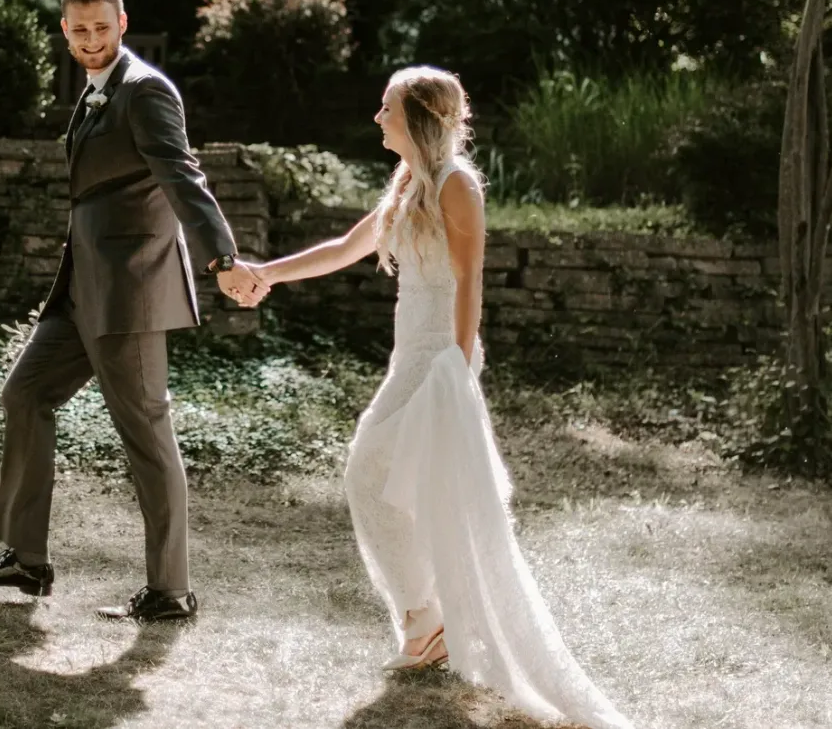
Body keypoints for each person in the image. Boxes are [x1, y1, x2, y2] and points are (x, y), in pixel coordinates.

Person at [239, 66, 634, 729]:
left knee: (370, 471)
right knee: (390, 481)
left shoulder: (457, 185)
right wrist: (264, 274)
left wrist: (458, 363)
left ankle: (427, 621)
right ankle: (426, 620)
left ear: (418, 116)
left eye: (387, 106)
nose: (376, 116)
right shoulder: (408, 181)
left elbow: (469, 279)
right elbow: (345, 246)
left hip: (442, 356)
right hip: (412, 354)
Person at [0, 0, 265, 622]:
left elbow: (184, 179)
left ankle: (170, 591)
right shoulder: (96, 93)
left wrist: (222, 258)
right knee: (26, 393)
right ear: (65, 35)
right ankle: (28, 559)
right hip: (80, 293)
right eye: (79, 30)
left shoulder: (146, 90)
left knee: (148, 439)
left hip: (131, 298)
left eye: (102, 27)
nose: (92, 40)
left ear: (122, 23)